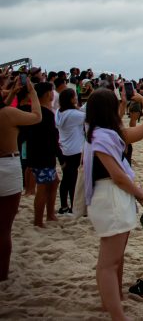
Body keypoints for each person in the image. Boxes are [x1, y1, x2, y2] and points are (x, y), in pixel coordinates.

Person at [84, 87, 143, 320]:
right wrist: (142, 196)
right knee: (108, 263)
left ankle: (112, 302)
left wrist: (141, 100)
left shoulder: (105, 133)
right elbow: (118, 176)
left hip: (113, 195)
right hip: (110, 196)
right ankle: (117, 314)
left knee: (115, 258)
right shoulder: (104, 136)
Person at [0, 76, 41, 281]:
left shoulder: (6, 111)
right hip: (7, 165)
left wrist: (12, 93)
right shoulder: (8, 114)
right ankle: (2, 274)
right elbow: (36, 116)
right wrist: (32, 92)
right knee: (4, 228)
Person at [24, 82, 61, 227]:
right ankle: (38, 220)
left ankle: (50, 214)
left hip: (42, 154)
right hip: (43, 155)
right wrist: (59, 154)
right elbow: (49, 138)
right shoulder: (43, 113)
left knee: (53, 183)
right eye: (52, 91)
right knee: (43, 187)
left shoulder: (40, 111)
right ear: (47, 94)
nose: (53, 94)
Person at [56, 88, 85, 214]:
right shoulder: (73, 115)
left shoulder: (59, 112)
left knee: (66, 178)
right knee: (74, 179)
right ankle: (74, 206)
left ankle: (64, 206)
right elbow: (89, 117)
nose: (76, 98)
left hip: (65, 149)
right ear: (71, 99)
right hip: (76, 149)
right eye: (74, 96)